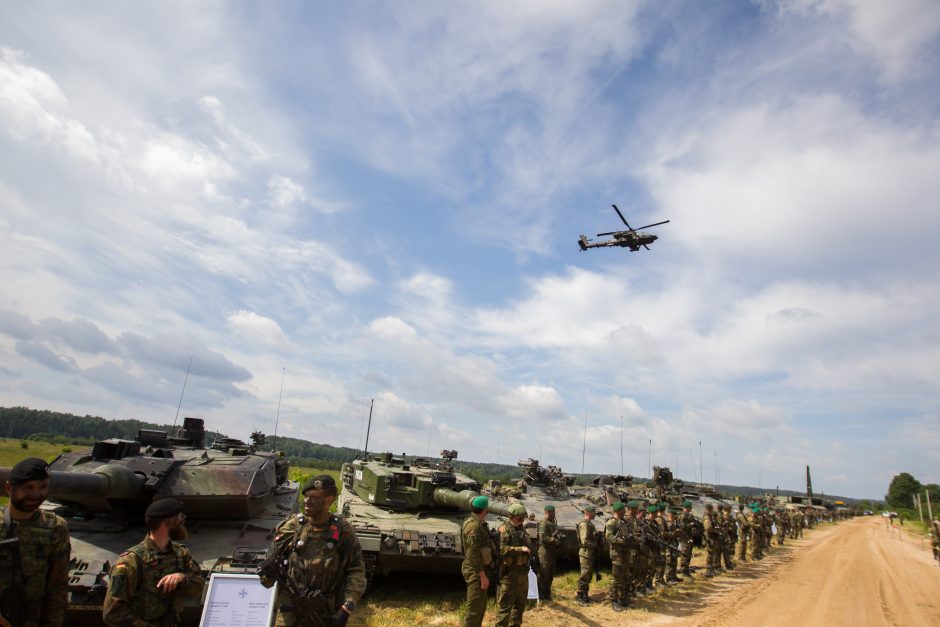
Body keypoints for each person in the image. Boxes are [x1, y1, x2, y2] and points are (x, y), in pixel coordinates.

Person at [260, 475, 365, 627]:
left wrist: (346, 607)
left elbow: (356, 569)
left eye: (314, 497)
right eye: (306, 496)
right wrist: (267, 570)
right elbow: (268, 573)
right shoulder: (293, 526)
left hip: (324, 611)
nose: (307, 501)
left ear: (329, 500)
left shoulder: (342, 530)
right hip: (289, 610)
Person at [102, 498, 204, 626]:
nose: (183, 518)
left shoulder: (180, 553)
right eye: (180, 516)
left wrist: (182, 577)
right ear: (167, 522)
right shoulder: (130, 562)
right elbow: (113, 614)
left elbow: (198, 586)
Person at [0, 457, 70, 627]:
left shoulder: (55, 528)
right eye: (28, 487)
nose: (36, 494)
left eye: (42, 487)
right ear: (9, 488)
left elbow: (57, 587)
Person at [460, 495, 495, 627]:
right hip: (475, 570)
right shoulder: (474, 527)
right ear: (485, 509)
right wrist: (482, 575)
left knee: (480, 607)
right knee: (474, 610)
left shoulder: (479, 524)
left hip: (479, 568)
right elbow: (473, 553)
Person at [495, 504, 531, 627]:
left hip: (522, 573)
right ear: (515, 517)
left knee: (520, 605)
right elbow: (502, 549)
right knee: (505, 606)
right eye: (521, 517)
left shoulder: (521, 529)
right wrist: (520, 549)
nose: (523, 520)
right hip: (509, 575)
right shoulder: (505, 529)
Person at [604, 502, 629, 612]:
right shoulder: (611, 522)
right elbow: (609, 536)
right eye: (623, 510)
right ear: (618, 511)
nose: (625, 512)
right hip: (617, 553)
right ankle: (614, 600)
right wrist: (620, 541)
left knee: (624, 576)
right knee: (616, 577)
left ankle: (622, 598)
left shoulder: (623, 522)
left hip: (625, 552)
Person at [536, 504, 562, 601]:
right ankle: (540, 595)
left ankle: (547, 594)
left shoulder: (553, 523)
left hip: (552, 551)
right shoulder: (543, 523)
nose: (553, 514)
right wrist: (554, 540)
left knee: (550, 574)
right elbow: (543, 538)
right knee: (543, 574)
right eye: (552, 512)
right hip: (545, 551)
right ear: (546, 512)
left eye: (554, 512)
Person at [576, 504, 598, 606]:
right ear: (589, 513)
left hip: (589, 553)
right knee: (584, 575)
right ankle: (579, 596)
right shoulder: (584, 525)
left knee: (588, 575)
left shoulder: (590, 524)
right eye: (593, 513)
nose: (595, 515)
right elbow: (584, 541)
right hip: (585, 553)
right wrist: (595, 545)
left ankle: (585, 595)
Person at [677, 500, 697, 577]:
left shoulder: (688, 515)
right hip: (684, 538)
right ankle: (683, 571)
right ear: (687, 507)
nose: (691, 508)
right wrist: (691, 524)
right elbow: (683, 527)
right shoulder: (683, 516)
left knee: (688, 555)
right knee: (685, 555)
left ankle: (686, 570)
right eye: (690, 507)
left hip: (689, 537)